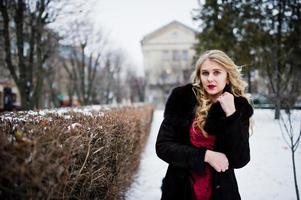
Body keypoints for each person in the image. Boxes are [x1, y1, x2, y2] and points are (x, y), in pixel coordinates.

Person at [156, 49, 254, 200]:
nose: (210, 78)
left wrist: (231, 114)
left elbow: (240, 159)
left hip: (221, 191)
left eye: (217, 72)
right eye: (205, 73)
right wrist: (205, 156)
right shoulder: (182, 99)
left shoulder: (238, 106)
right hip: (181, 188)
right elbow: (163, 146)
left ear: (227, 77)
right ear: (199, 76)